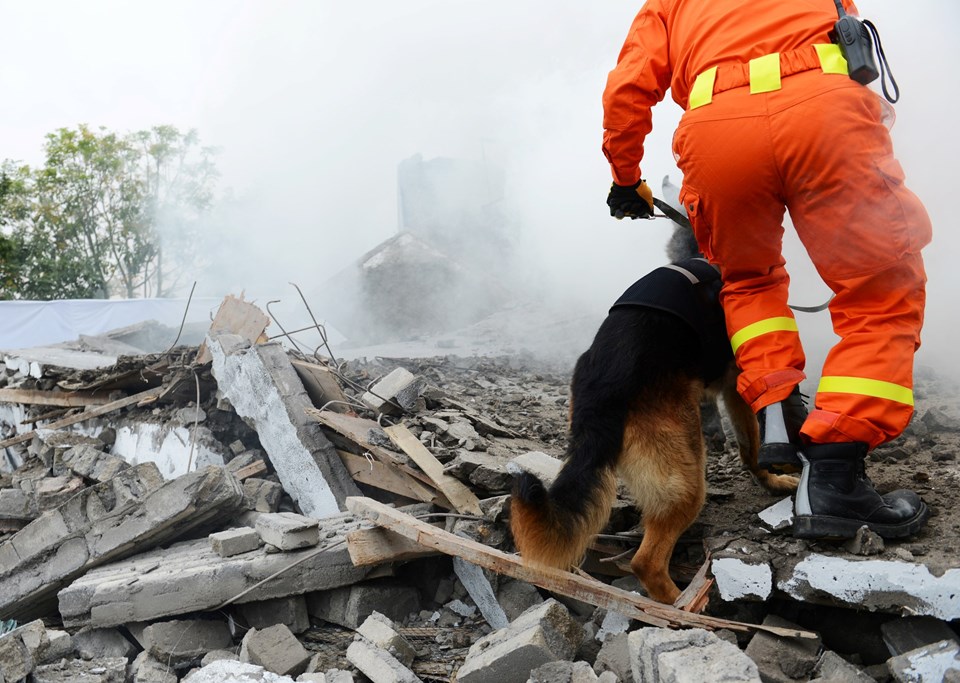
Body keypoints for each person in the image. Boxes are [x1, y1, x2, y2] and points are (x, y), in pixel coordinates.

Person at [602, 0, 932, 540]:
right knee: (880, 293)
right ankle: (835, 477)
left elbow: (628, 87)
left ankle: (777, 415)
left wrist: (624, 176)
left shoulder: (668, 4)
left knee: (748, 282)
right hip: (824, 115)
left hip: (718, 132)